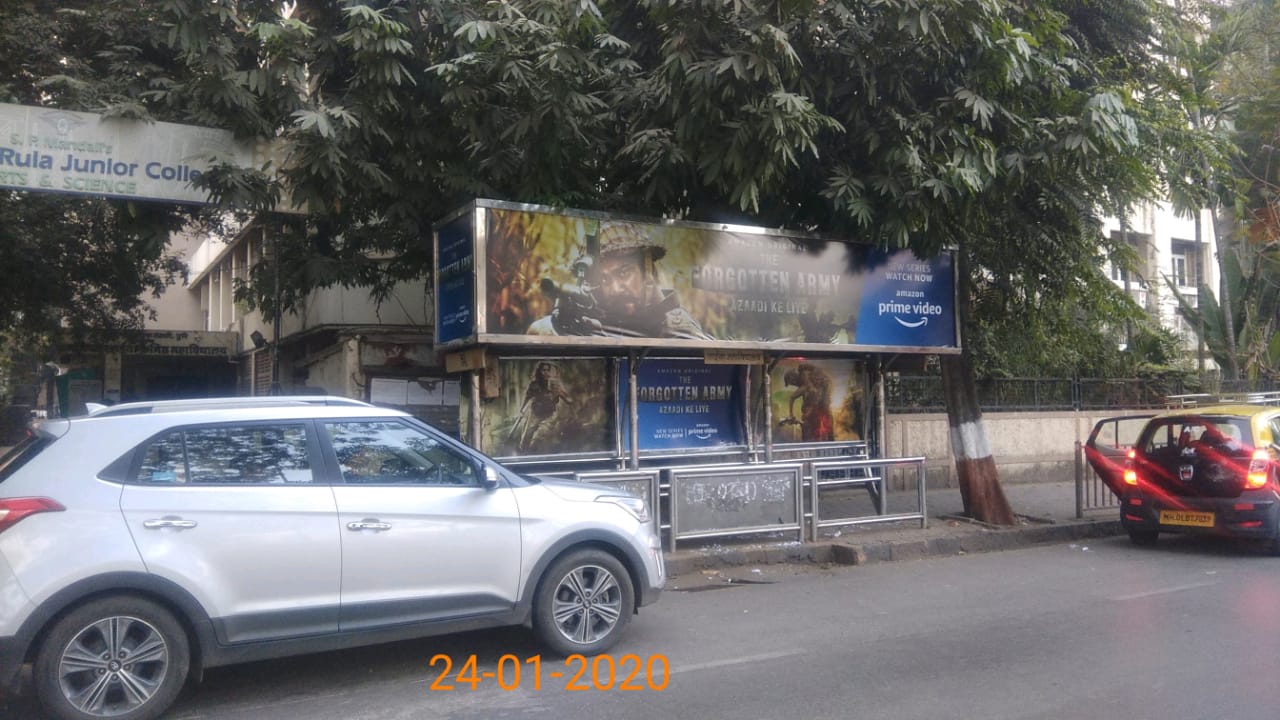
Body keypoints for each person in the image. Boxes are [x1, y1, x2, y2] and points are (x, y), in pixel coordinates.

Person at [528, 221, 711, 340]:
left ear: (648, 271)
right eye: (604, 279)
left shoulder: (677, 326)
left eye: (624, 273)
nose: (615, 289)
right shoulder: (590, 322)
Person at [514, 361, 573, 454]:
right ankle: (524, 456)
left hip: (549, 415)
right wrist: (521, 410)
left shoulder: (555, 385)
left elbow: (569, 400)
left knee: (538, 437)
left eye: (548, 370)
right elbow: (527, 397)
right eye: (543, 370)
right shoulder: (534, 384)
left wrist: (560, 392)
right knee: (525, 439)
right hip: (534, 414)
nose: (546, 372)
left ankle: (533, 455)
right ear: (539, 372)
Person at [785, 362, 834, 442]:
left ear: (792, 378)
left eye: (791, 383)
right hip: (819, 402)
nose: (793, 385)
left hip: (821, 402)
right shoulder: (805, 383)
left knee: (823, 418)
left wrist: (808, 411)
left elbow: (813, 395)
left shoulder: (805, 378)